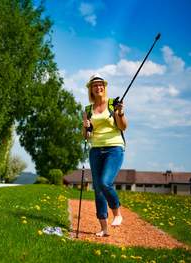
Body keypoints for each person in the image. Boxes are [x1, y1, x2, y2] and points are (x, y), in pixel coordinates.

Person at [82, 73, 127, 237]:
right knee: (98, 189)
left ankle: (118, 214)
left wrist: (120, 113)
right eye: (95, 85)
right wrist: (86, 127)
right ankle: (104, 228)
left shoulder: (113, 104)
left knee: (104, 182)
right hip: (95, 150)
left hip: (114, 148)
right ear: (91, 90)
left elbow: (123, 127)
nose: (98, 87)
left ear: (104, 87)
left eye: (101, 84)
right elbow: (85, 136)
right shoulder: (87, 110)